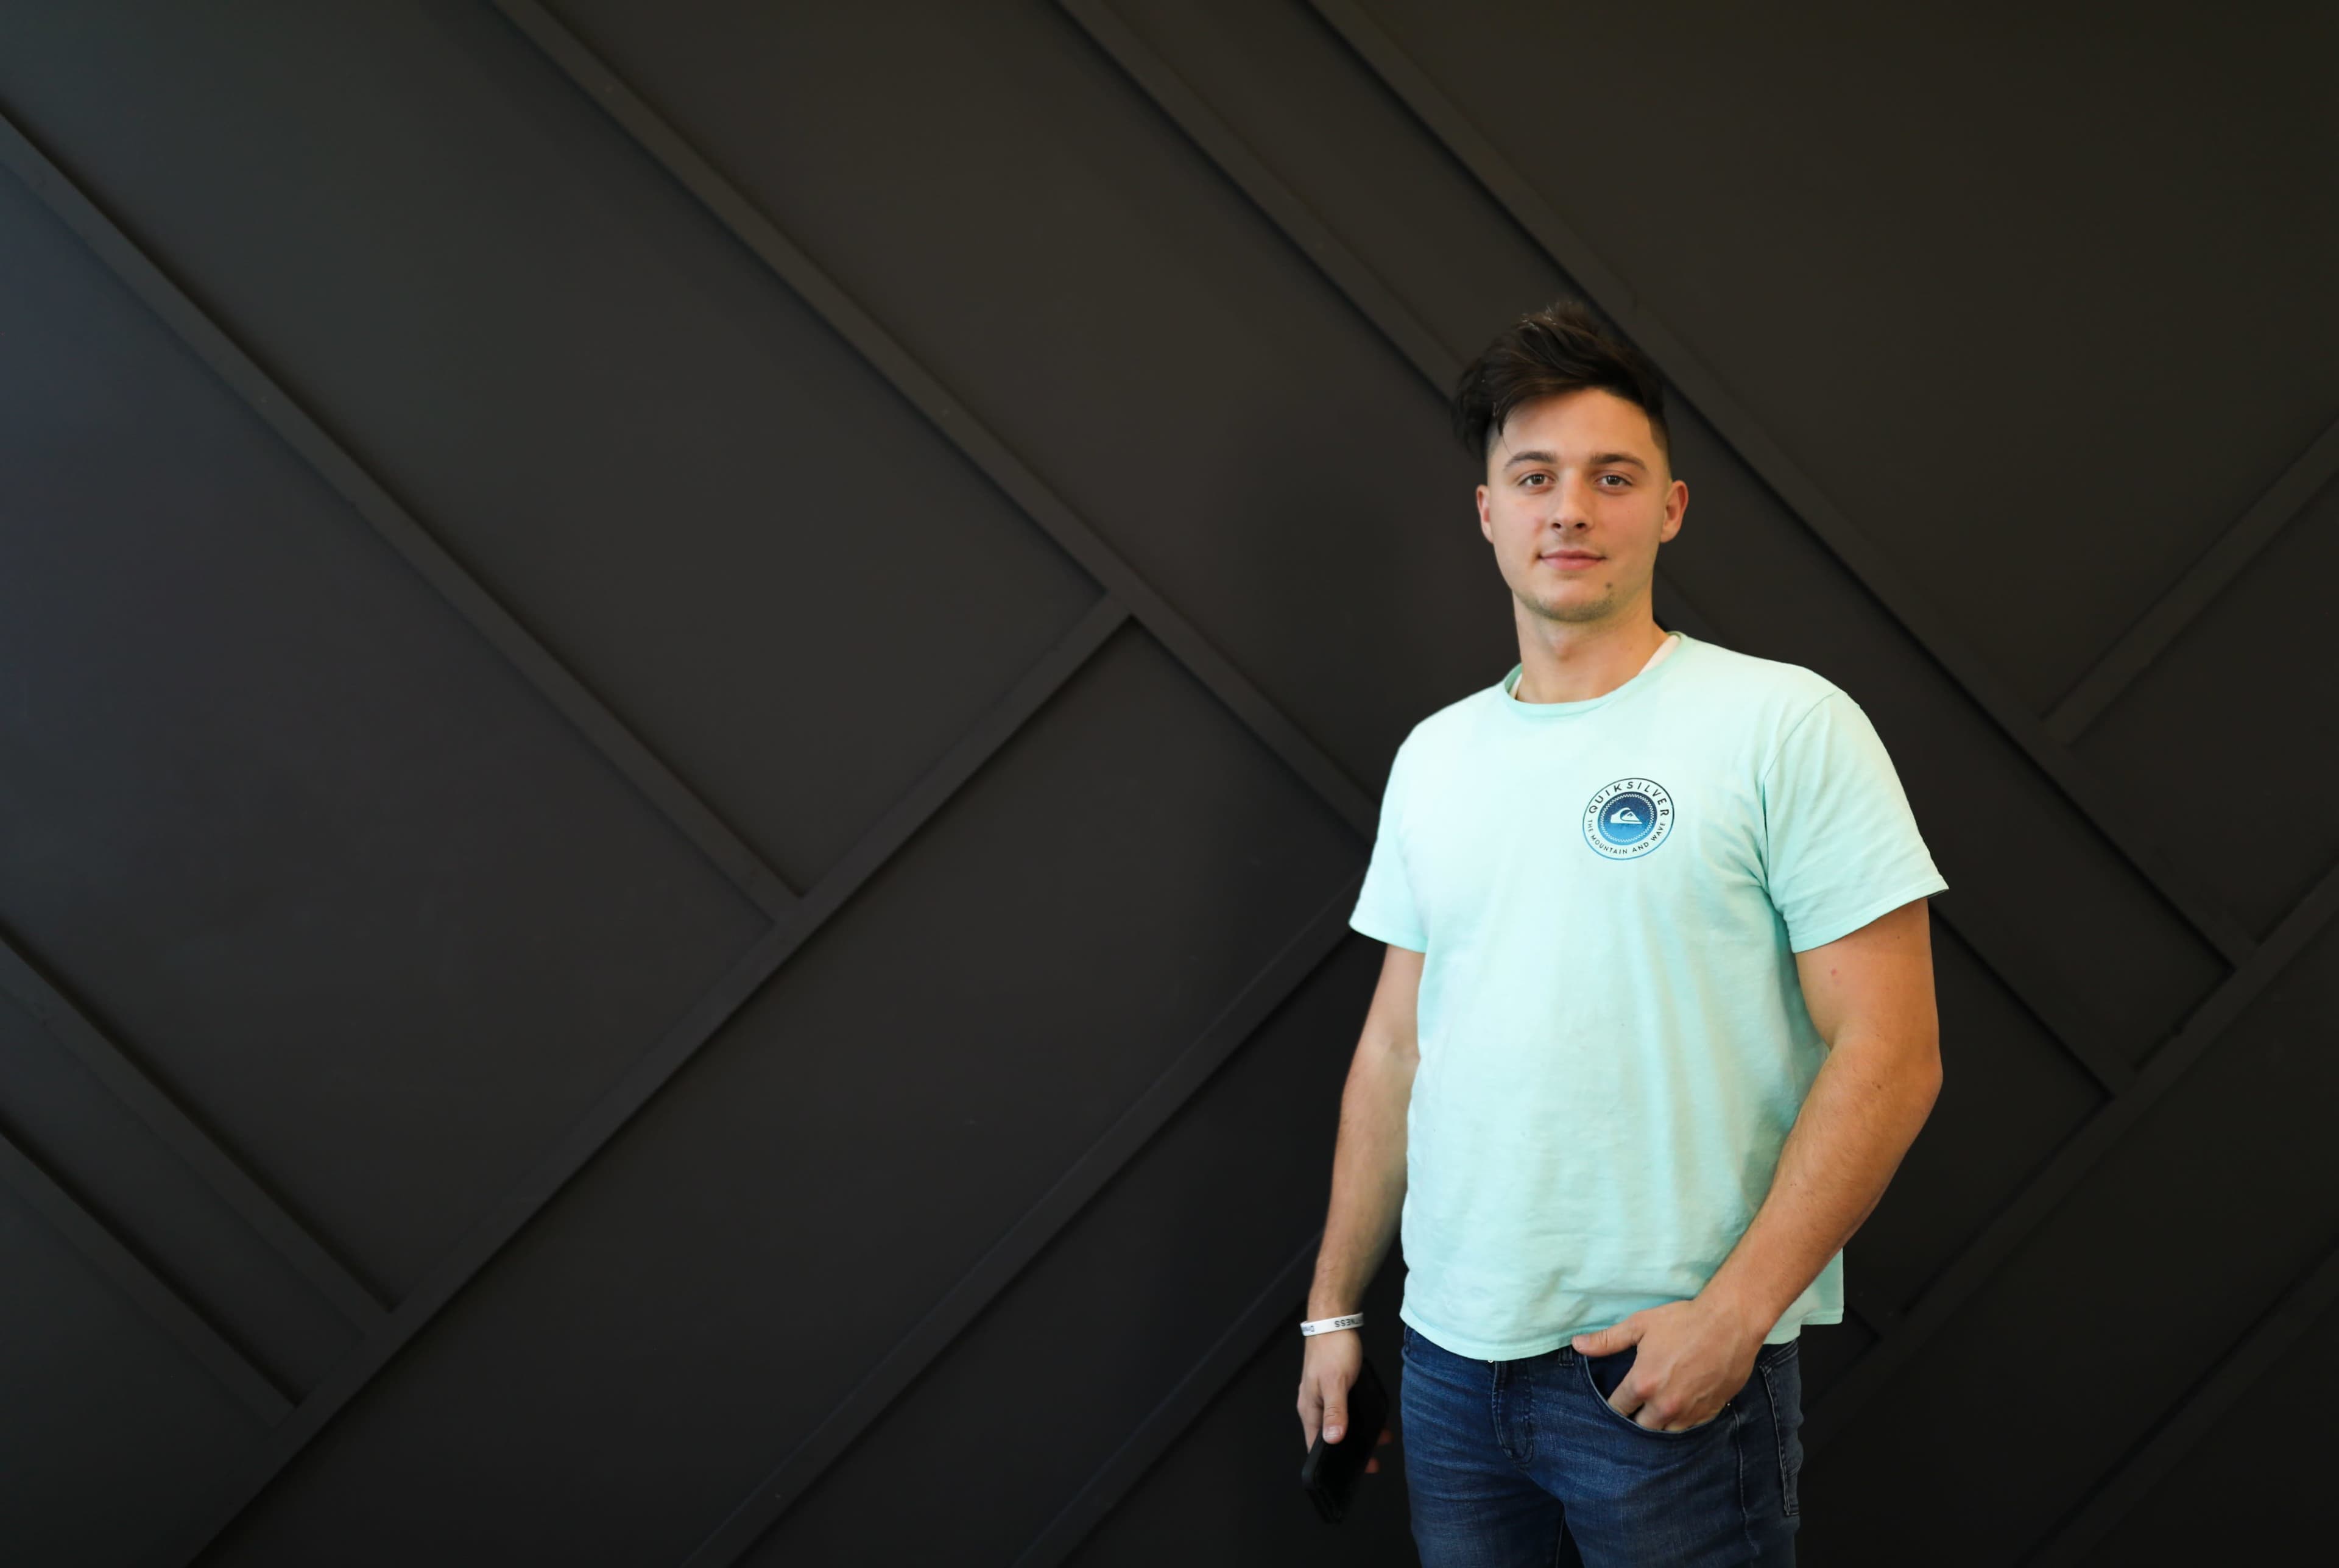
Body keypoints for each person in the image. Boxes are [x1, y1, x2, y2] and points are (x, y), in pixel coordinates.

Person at [1293, 301, 1946, 1565]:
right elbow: (1394, 1051)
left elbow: (1892, 1051)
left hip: (1665, 1369)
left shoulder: (1783, 726)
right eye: (1533, 478)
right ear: (1488, 512)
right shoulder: (1437, 757)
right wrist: (1333, 1314)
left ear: (1672, 508)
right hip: (1450, 1366)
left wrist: (1736, 1317)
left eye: (1612, 477)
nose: (1570, 510)